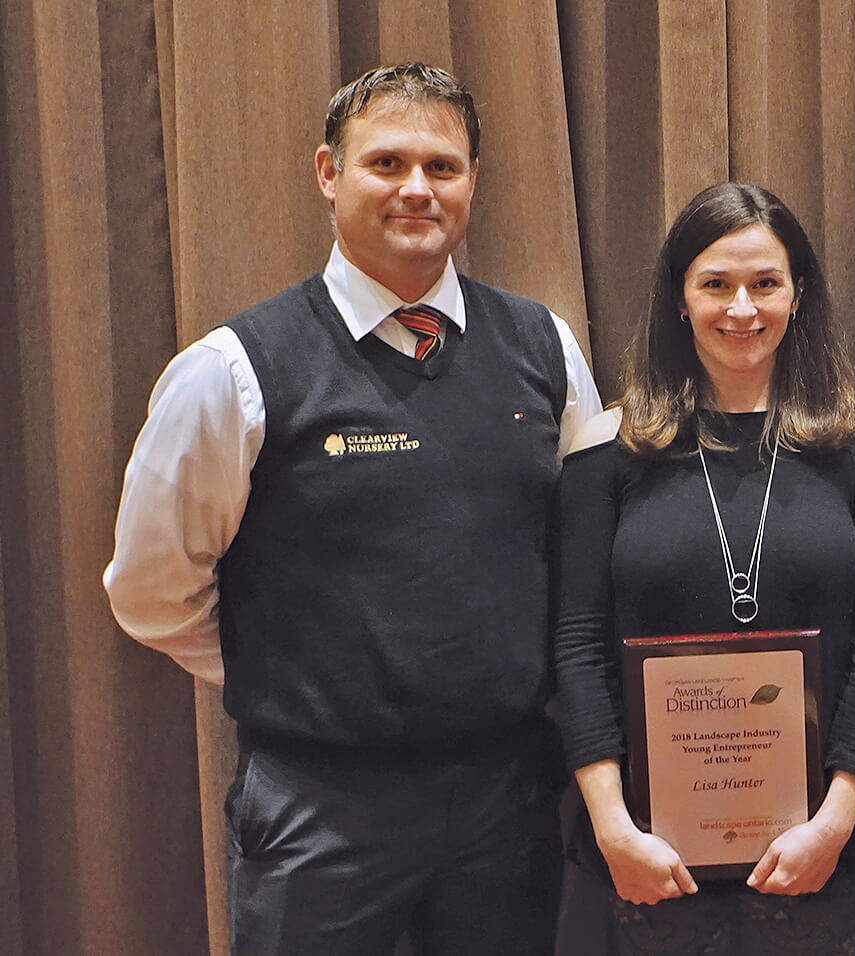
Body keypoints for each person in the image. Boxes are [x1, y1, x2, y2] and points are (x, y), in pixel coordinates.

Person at [103, 62, 602, 955]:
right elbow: (150, 592)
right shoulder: (234, 371)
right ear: (329, 174)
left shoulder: (546, 349)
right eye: (387, 164)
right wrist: (300, 671)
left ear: (474, 182)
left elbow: (581, 555)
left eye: (443, 167)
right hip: (317, 811)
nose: (417, 188)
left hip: (507, 799)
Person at [552, 182, 855, 955]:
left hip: (817, 854)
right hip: (651, 858)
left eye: (765, 284)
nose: (741, 309)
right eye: (715, 284)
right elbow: (577, 648)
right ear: (680, 299)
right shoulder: (602, 451)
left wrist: (835, 824)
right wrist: (614, 829)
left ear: (799, 293)